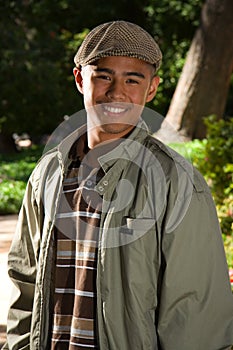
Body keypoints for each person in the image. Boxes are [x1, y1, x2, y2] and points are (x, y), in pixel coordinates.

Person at [2, 20, 233, 350]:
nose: (116, 91)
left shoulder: (175, 182)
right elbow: (25, 280)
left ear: (151, 89)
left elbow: (194, 313)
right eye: (104, 75)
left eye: (132, 79)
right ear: (81, 79)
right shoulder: (48, 174)